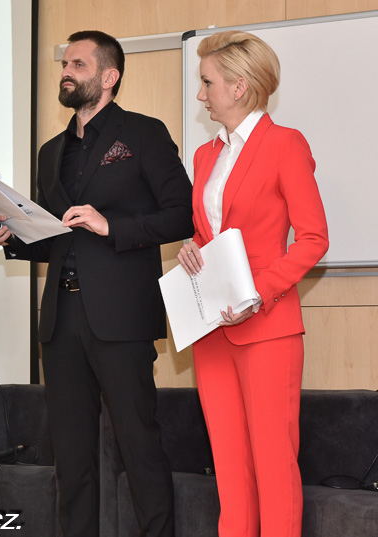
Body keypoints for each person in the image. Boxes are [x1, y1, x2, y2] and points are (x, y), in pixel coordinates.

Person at [0, 30, 193, 537]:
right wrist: (13, 237)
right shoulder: (51, 151)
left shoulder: (143, 133)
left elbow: (181, 215)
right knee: (71, 455)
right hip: (61, 319)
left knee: (138, 445)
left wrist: (110, 226)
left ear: (109, 76)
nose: (66, 72)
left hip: (121, 316)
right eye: (64, 64)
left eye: (78, 64)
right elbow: (52, 237)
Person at [176, 31, 328, 537]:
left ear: (239, 86)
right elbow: (211, 232)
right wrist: (193, 246)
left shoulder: (285, 144)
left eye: (207, 83)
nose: (201, 94)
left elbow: (313, 239)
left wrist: (256, 294)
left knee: (273, 465)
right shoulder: (205, 155)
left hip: (265, 324)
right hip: (211, 329)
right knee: (229, 467)